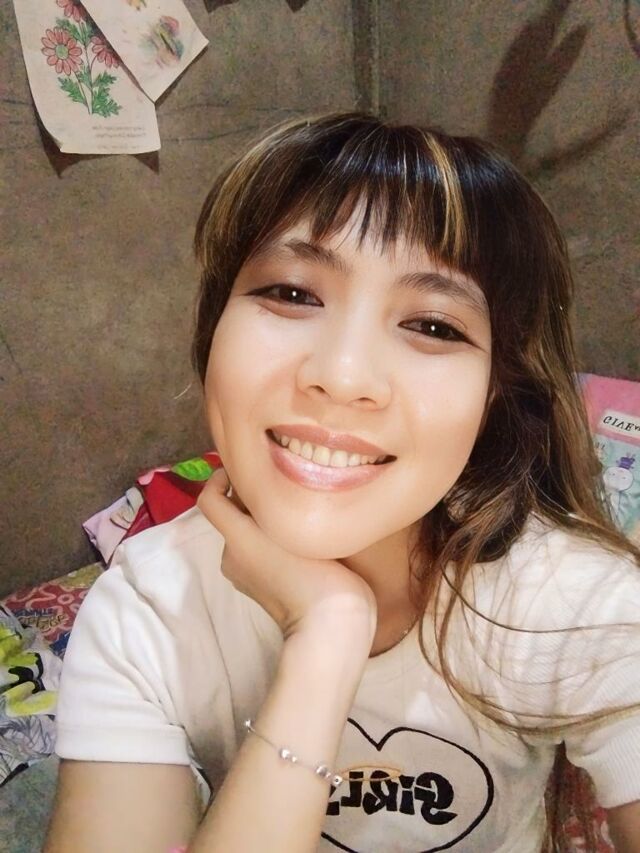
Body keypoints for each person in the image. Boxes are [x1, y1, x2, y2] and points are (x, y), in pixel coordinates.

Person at [44, 113, 640, 852]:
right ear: (213, 331)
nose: (342, 375)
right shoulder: (144, 611)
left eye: (434, 326)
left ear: (495, 394)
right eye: (292, 293)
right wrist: (325, 634)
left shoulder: (580, 606)